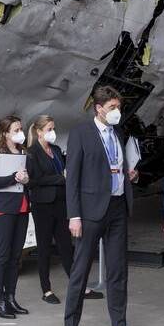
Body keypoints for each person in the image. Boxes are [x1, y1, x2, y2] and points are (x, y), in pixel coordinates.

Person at [63, 86, 142, 326]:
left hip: (118, 207)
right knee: (80, 271)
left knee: (118, 271)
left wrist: (130, 175)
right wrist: (74, 215)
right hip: (89, 211)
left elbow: (116, 167)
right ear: (99, 109)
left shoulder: (118, 133)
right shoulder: (80, 134)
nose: (117, 112)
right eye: (112, 108)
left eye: (118, 107)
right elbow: (72, 178)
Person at [25, 115, 103, 304]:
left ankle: (79, 286)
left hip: (61, 203)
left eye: (53, 128)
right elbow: (33, 181)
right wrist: (61, 178)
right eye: (49, 129)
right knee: (44, 247)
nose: (53, 133)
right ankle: (46, 290)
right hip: (42, 205)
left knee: (66, 247)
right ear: (39, 132)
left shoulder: (57, 150)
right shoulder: (31, 153)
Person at [0, 116, 31, 319]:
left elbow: (28, 180)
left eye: (20, 129)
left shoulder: (23, 152)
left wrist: (27, 179)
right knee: (2, 255)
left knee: (15, 257)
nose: (20, 132)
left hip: (21, 208)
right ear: (5, 133)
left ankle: (11, 297)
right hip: (3, 210)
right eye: (15, 130)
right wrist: (13, 177)